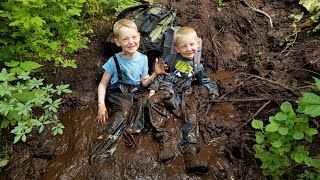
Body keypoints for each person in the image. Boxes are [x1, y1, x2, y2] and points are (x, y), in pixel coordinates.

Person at [91, 18, 168, 164]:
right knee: (123, 113)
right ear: (117, 42)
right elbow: (102, 85)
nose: (131, 42)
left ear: (139, 37)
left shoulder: (144, 59)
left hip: (135, 92)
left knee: (145, 105)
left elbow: (144, 82)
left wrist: (155, 74)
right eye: (125, 39)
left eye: (134, 37)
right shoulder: (113, 61)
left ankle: (133, 131)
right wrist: (101, 105)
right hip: (117, 94)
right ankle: (105, 145)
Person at [148, 27, 219, 174]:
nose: (189, 49)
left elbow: (205, 80)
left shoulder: (197, 65)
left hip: (184, 94)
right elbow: (160, 74)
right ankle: (165, 140)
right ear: (177, 49)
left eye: (192, 45)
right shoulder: (171, 58)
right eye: (184, 46)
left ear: (197, 45)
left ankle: (190, 152)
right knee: (152, 102)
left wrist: (213, 90)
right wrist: (152, 91)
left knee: (191, 115)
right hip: (167, 90)